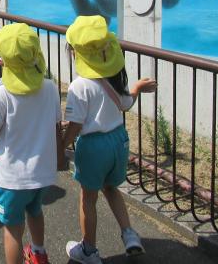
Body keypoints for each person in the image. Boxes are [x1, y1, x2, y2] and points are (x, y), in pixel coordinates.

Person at [61, 15, 157, 264]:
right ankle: (129, 234)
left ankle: (88, 250)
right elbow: (125, 103)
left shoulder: (79, 86)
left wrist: (60, 146)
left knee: (88, 198)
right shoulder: (114, 77)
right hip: (118, 141)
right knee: (111, 188)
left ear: (76, 52)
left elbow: (76, 126)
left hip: (93, 147)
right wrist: (136, 88)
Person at [0, 22, 65, 264]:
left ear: (4, 62)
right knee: (35, 211)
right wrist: (60, 159)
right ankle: (38, 253)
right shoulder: (50, 88)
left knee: (13, 229)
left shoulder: (2, 94)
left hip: (13, 178)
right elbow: (56, 127)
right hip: (42, 174)